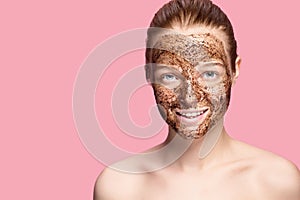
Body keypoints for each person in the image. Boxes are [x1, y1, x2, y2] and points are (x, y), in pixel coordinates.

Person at [94, 0, 300, 199]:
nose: (190, 96)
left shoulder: (277, 183)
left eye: (209, 74)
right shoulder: (120, 187)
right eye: (170, 76)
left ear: (234, 70)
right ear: (149, 75)